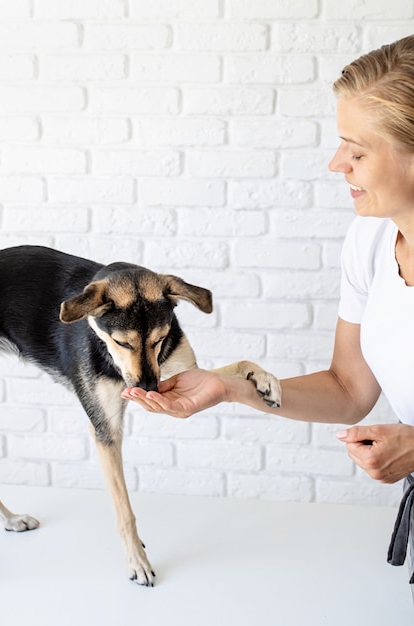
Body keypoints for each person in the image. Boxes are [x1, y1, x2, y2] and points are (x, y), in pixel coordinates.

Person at [121, 35, 414, 581]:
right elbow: (350, 390)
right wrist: (229, 385)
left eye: (357, 150)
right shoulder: (369, 242)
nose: (335, 164)